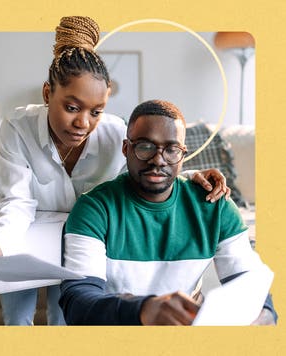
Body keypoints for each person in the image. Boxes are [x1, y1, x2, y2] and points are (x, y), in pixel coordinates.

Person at [0, 17, 230, 326]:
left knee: (67, 319)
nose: (83, 123)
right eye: (72, 108)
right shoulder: (17, 128)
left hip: (82, 236)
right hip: (25, 232)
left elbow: (148, 171)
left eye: (96, 111)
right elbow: (17, 203)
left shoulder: (114, 134)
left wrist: (191, 179)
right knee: (17, 319)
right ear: (47, 94)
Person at [59, 99, 277, 325]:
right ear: (126, 149)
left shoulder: (216, 206)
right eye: (145, 146)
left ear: (183, 154)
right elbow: (78, 304)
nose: (158, 160)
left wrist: (263, 319)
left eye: (172, 150)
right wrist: (144, 309)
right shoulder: (94, 208)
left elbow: (254, 288)